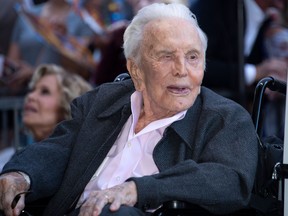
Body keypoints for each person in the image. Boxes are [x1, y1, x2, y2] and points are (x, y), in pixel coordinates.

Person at [0, 3, 258, 216]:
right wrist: (21, 176)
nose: (182, 70)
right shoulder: (103, 101)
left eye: (192, 57)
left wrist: (137, 190)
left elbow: (229, 179)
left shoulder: (225, 118)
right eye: (166, 56)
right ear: (136, 69)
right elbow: (59, 148)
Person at [189, 0, 288, 108]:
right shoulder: (214, 7)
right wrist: (254, 72)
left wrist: (275, 82)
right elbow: (196, 65)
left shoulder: (270, 22)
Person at [0, 63, 92, 171]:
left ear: (68, 105)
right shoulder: (9, 156)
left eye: (45, 92)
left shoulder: (74, 168)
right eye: (32, 90)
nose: (30, 96)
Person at [4, 0, 95, 96]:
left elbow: (83, 71)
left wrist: (63, 41)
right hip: (22, 97)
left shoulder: (83, 19)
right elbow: (11, 62)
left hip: (63, 98)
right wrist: (16, 72)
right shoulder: (27, 15)